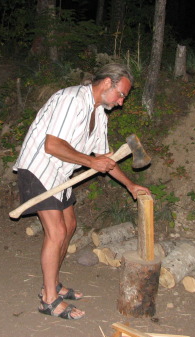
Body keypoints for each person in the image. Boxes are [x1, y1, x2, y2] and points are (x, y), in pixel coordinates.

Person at [13, 63, 150, 320]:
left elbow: (104, 158)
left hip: (60, 174)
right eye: (121, 94)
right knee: (57, 232)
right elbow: (53, 145)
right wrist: (90, 162)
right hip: (38, 166)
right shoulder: (72, 99)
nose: (121, 102)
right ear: (107, 83)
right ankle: (49, 300)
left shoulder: (99, 114)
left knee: (70, 225)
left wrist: (130, 184)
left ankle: (51, 284)